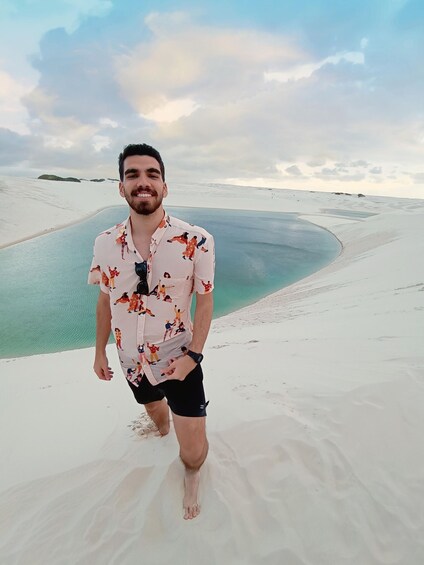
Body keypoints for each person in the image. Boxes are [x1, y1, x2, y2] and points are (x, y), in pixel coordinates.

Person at [88, 143, 215, 520]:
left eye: (152, 174)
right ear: (121, 187)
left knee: (193, 451)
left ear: (164, 186)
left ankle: (192, 474)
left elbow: (205, 303)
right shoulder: (104, 243)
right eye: (133, 175)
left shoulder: (197, 241)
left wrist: (193, 357)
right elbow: (105, 300)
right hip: (130, 358)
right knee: (154, 411)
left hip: (179, 360)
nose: (143, 182)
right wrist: (99, 351)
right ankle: (162, 433)